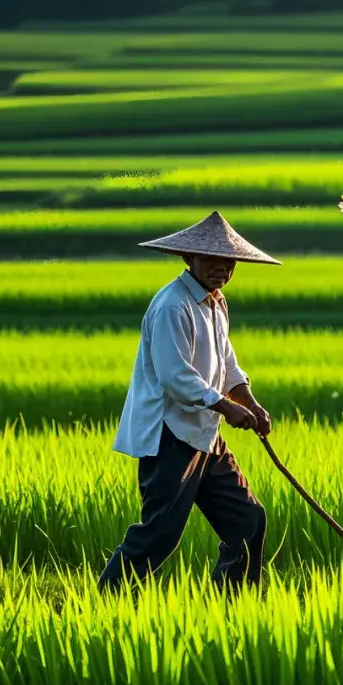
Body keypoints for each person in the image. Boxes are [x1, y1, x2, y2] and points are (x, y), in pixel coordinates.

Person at [97, 211, 281, 592]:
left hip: (205, 436)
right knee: (159, 534)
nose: (222, 269)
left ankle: (232, 604)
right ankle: (105, 601)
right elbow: (176, 378)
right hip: (170, 436)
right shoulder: (172, 306)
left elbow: (227, 364)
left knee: (248, 520)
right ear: (188, 259)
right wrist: (229, 409)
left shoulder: (216, 303)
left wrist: (250, 402)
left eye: (229, 262)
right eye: (213, 260)